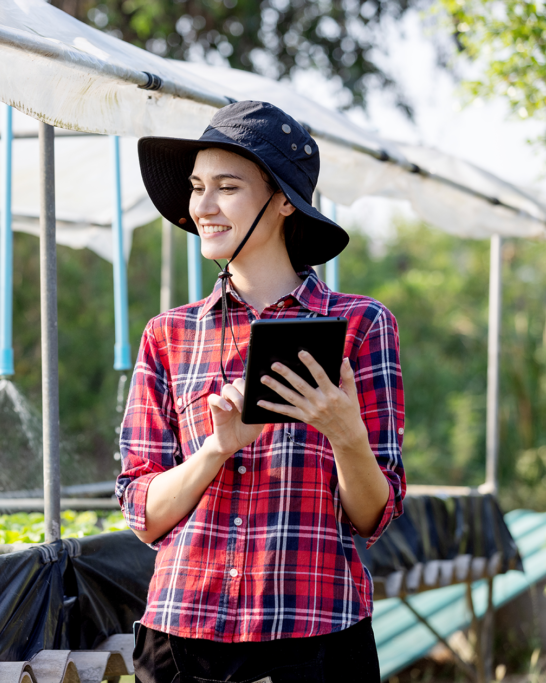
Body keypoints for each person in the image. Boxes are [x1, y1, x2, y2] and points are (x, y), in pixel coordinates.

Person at [117, 100, 406, 682]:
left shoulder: (361, 325)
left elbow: (373, 515)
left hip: (316, 633)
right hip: (182, 636)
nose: (204, 205)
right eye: (198, 187)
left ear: (281, 201)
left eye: (227, 187)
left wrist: (346, 435)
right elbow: (143, 512)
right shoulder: (169, 335)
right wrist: (216, 449)